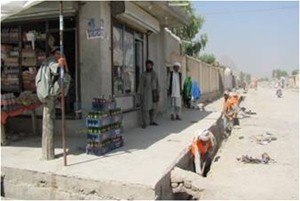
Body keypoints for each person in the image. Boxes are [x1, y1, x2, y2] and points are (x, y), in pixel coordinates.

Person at [139, 60, 159, 128]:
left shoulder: (155, 74)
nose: (148, 66)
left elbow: (157, 83)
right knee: (146, 109)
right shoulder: (143, 75)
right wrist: (141, 94)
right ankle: (145, 122)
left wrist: (158, 92)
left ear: (152, 66)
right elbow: (141, 85)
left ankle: (152, 121)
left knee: (154, 108)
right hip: (146, 94)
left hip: (154, 93)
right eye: (147, 65)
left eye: (150, 65)